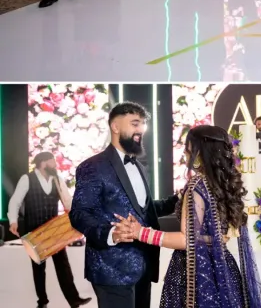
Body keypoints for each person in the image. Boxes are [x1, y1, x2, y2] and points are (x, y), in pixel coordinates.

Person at [112, 125, 261, 308]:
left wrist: (141, 233)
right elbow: (222, 235)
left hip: (195, 272)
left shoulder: (197, 186)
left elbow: (188, 240)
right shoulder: (224, 184)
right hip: (223, 269)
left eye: (188, 147)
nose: (185, 152)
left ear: (199, 151)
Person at [69, 102, 180, 308]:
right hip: (112, 270)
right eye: (135, 123)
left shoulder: (139, 166)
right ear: (115, 126)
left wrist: (175, 201)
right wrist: (110, 234)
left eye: (143, 125)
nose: (141, 130)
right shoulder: (92, 167)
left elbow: (144, 209)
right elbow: (79, 213)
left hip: (144, 267)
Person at [8, 151, 91, 308]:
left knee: (63, 266)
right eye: (53, 162)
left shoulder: (57, 180)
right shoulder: (27, 179)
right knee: (39, 268)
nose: (55, 165)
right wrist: (13, 220)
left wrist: (80, 215)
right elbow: (15, 201)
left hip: (55, 231)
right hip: (35, 232)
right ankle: (42, 302)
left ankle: (74, 300)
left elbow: (68, 202)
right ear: (43, 163)